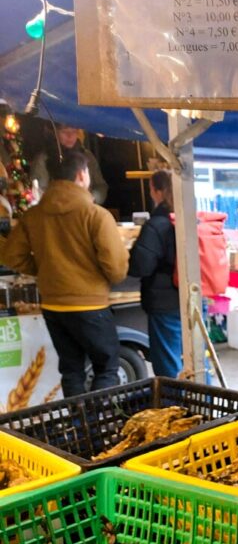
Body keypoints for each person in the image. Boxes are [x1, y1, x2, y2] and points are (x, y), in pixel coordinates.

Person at [3, 150, 128, 396]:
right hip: (91, 306)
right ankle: (97, 425)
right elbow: (116, 268)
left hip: (53, 307)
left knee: (71, 371)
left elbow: (10, 255)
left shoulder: (33, 215)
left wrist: (45, 270)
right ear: (82, 176)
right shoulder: (96, 215)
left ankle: (80, 427)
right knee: (106, 368)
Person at [127, 171, 181, 377]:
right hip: (193, 298)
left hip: (164, 303)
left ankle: (175, 407)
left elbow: (140, 266)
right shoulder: (189, 218)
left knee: (168, 362)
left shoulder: (156, 225)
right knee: (197, 359)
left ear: (155, 191)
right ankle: (204, 401)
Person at [31, 124, 109, 205]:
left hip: (85, 207)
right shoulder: (44, 159)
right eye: (64, 131)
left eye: (74, 131)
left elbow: (101, 186)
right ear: (55, 132)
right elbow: (39, 190)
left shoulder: (87, 156)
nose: (70, 136)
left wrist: (91, 198)